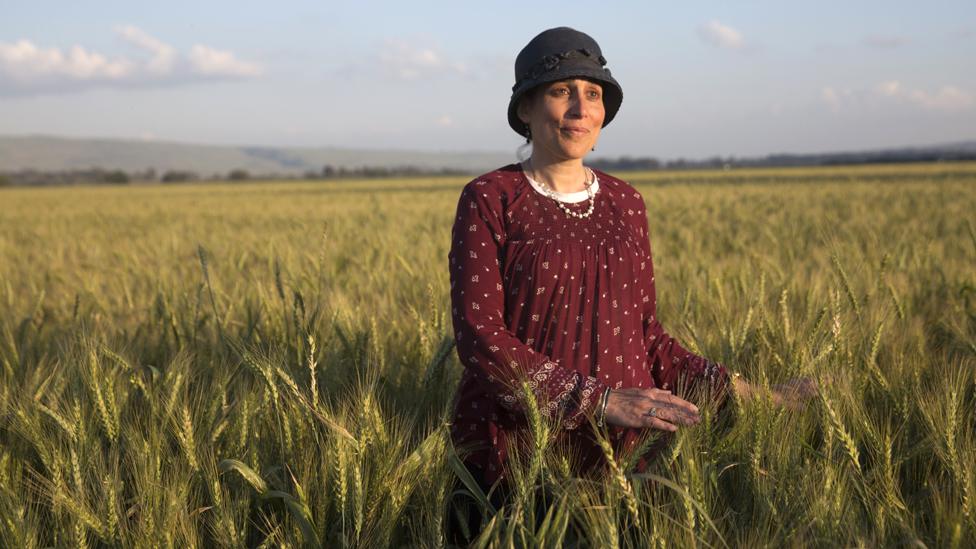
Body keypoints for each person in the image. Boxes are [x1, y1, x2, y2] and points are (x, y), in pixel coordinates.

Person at [447, 26, 813, 500]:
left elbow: (646, 335)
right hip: (517, 456)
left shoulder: (626, 202)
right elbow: (480, 337)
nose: (581, 109)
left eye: (593, 94)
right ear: (525, 108)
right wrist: (599, 402)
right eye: (562, 92)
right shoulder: (491, 198)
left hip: (625, 460)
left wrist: (759, 398)